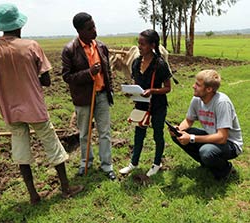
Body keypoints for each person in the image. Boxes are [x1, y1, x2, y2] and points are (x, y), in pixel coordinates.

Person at [0, 3, 84, 203]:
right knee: (52, 145)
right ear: (19, 24)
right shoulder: (31, 46)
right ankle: (66, 188)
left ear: (0, 25)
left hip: (10, 110)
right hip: (34, 108)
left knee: (21, 152)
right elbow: (46, 80)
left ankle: (34, 196)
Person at [61, 12, 116, 180]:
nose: (95, 31)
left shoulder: (101, 47)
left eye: (94, 26)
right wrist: (89, 73)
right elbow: (67, 77)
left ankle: (107, 165)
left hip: (102, 96)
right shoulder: (70, 50)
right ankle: (86, 162)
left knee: (104, 132)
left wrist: (109, 90)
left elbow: (108, 72)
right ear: (79, 31)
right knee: (85, 133)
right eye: (90, 28)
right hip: (84, 98)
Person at [169, 69, 243, 180]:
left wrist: (192, 138)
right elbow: (188, 121)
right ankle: (207, 163)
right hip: (213, 136)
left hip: (230, 144)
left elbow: (222, 137)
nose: (193, 86)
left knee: (207, 152)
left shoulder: (222, 103)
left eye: (198, 85)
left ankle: (226, 170)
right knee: (178, 135)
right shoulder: (197, 99)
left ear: (209, 89)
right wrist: (179, 129)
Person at [119, 29, 171, 177]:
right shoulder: (136, 63)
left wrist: (152, 91)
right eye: (138, 43)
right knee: (138, 134)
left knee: (157, 134)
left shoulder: (160, 64)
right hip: (141, 105)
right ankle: (133, 163)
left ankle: (156, 164)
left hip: (158, 105)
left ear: (152, 45)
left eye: (143, 44)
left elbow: (168, 88)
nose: (139, 47)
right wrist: (132, 91)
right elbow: (137, 82)